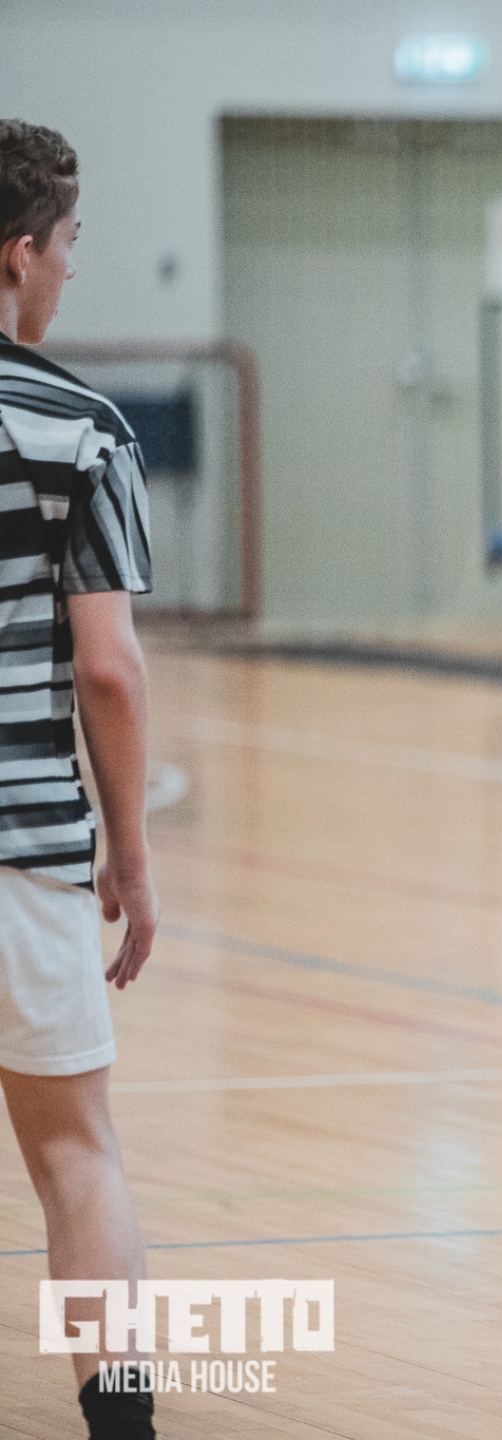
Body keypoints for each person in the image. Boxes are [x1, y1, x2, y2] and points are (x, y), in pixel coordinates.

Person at [0, 120, 160, 1440]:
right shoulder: (80, 430)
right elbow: (108, 669)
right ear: (19, 255)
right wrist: (133, 859)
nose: (68, 271)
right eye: (67, 247)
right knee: (72, 1153)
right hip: (25, 849)